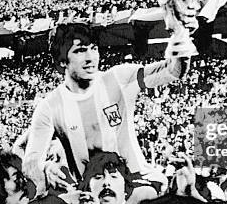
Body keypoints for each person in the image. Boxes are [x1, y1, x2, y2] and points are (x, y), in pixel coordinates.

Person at [23, 22, 195, 194]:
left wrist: (180, 37)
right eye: (80, 50)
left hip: (137, 183)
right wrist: (45, 168)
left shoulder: (119, 79)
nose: (91, 58)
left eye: (94, 48)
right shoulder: (50, 106)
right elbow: (30, 160)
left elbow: (172, 71)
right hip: (92, 195)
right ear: (62, 61)